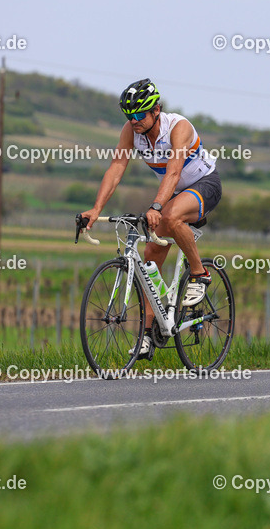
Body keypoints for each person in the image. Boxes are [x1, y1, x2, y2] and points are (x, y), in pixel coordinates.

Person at [81, 78, 222, 358]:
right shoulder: (131, 132)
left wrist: (157, 206)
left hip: (205, 185)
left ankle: (199, 273)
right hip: (173, 193)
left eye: (139, 115)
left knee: (168, 217)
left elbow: (173, 171)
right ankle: (147, 334)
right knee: (148, 261)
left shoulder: (178, 127)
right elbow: (117, 168)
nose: (133, 121)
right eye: (129, 116)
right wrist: (95, 209)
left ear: (156, 110)